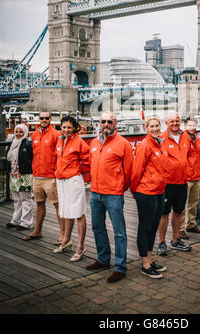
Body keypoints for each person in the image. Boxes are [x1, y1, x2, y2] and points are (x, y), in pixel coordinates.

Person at [86, 111, 134, 283]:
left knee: (119, 232)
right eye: (103, 121)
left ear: (115, 123)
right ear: (99, 123)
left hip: (113, 194)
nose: (106, 124)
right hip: (95, 193)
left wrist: (122, 187)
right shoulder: (93, 142)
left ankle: (120, 267)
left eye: (109, 121)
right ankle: (103, 259)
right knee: (97, 227)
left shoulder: (123, 144)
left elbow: (129, 170)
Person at [131, 117, 167, 279]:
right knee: (145, 228)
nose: (154, 128)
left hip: (159, 191)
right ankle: (145, 264)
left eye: (157, 125)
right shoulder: (144, 146)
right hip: (146, 193)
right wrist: (135, 191)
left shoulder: (160, 144)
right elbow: (136, 171)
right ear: (146, 128)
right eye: (151, 126)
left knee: (153, 227)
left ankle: (150, 260)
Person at [24, 110, 64, 244]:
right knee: (39, 203)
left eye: (47, 118)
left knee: (57, 205)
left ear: (51, 119)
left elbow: (60, 155)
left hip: (51, 176)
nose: (44, 120)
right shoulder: (34, 134)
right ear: (39, 119)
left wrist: (57, 171)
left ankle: (63, 235)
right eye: (42, 118)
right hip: (37, 176)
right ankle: (37, 231)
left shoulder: (56, 135)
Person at [53, 116, 90, 262]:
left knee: (78, 213)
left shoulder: (79, 142)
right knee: (66, 211)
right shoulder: (60, 140)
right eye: (64, 127)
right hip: (61, 181)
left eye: (69, 127)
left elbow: (87, 161)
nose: (66, 130)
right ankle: (66, 240)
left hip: (73, 180)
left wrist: (76, 170)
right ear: (61, 127)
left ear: (74, 128)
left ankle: (81, 246)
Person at [157, 112, 191, 256]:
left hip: (182, 181)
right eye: (172, 121)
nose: (175, 123)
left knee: (178, 212)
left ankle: (175, 239)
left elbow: (189, 156)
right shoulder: (161, 138)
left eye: (177, 121)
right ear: (166, 123)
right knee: (164, 213)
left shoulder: (185, 136)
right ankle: (161, 242)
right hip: (167, 183)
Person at [179, 119, 200, 239]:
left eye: (194, 125)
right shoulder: (182, 138)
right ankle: (180, 229)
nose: (192, 127)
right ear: (185, 126)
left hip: (196, 175)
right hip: (186, 176)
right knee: (182, 204)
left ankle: (191, 224)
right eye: (189, 125)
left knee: (194, 202)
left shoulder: (198, 138)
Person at [6, 124, 34, 231]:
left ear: (25, 133)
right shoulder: (13, 143)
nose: (18, 134)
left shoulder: (27, 144)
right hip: (14, 175)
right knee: (17, 199)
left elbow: (32, 158)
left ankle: (27, 222)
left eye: (21, 132)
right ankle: (16, 220)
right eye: (17, 132)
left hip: (24, 175)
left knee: (25, 199)